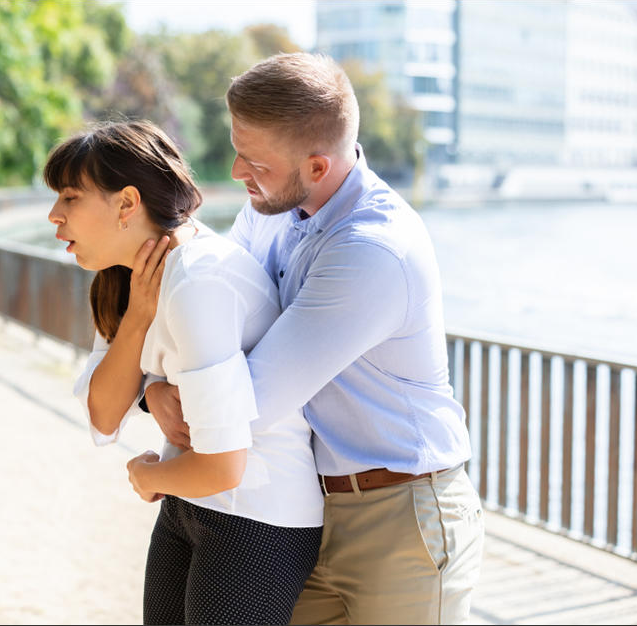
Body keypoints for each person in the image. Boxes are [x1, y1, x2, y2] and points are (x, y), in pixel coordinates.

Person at [143, 53, 485, 625]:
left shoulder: (371, 249)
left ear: (319, 166)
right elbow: (212, 315)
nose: (234, 172)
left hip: (403, 515)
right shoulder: (271, 206)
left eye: (254, 161)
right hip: (309, 504)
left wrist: (162, 436)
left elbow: (246, 402)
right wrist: (152, 386)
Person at [45, 120, 324, 625]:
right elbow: (104, 416)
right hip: (191, 502)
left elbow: (223, 466)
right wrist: (136, 321)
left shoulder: (199, 277)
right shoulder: (132, 277)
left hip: (256, 515)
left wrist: (147, 474)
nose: (53, 216)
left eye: (69, 198)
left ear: (126, 204)